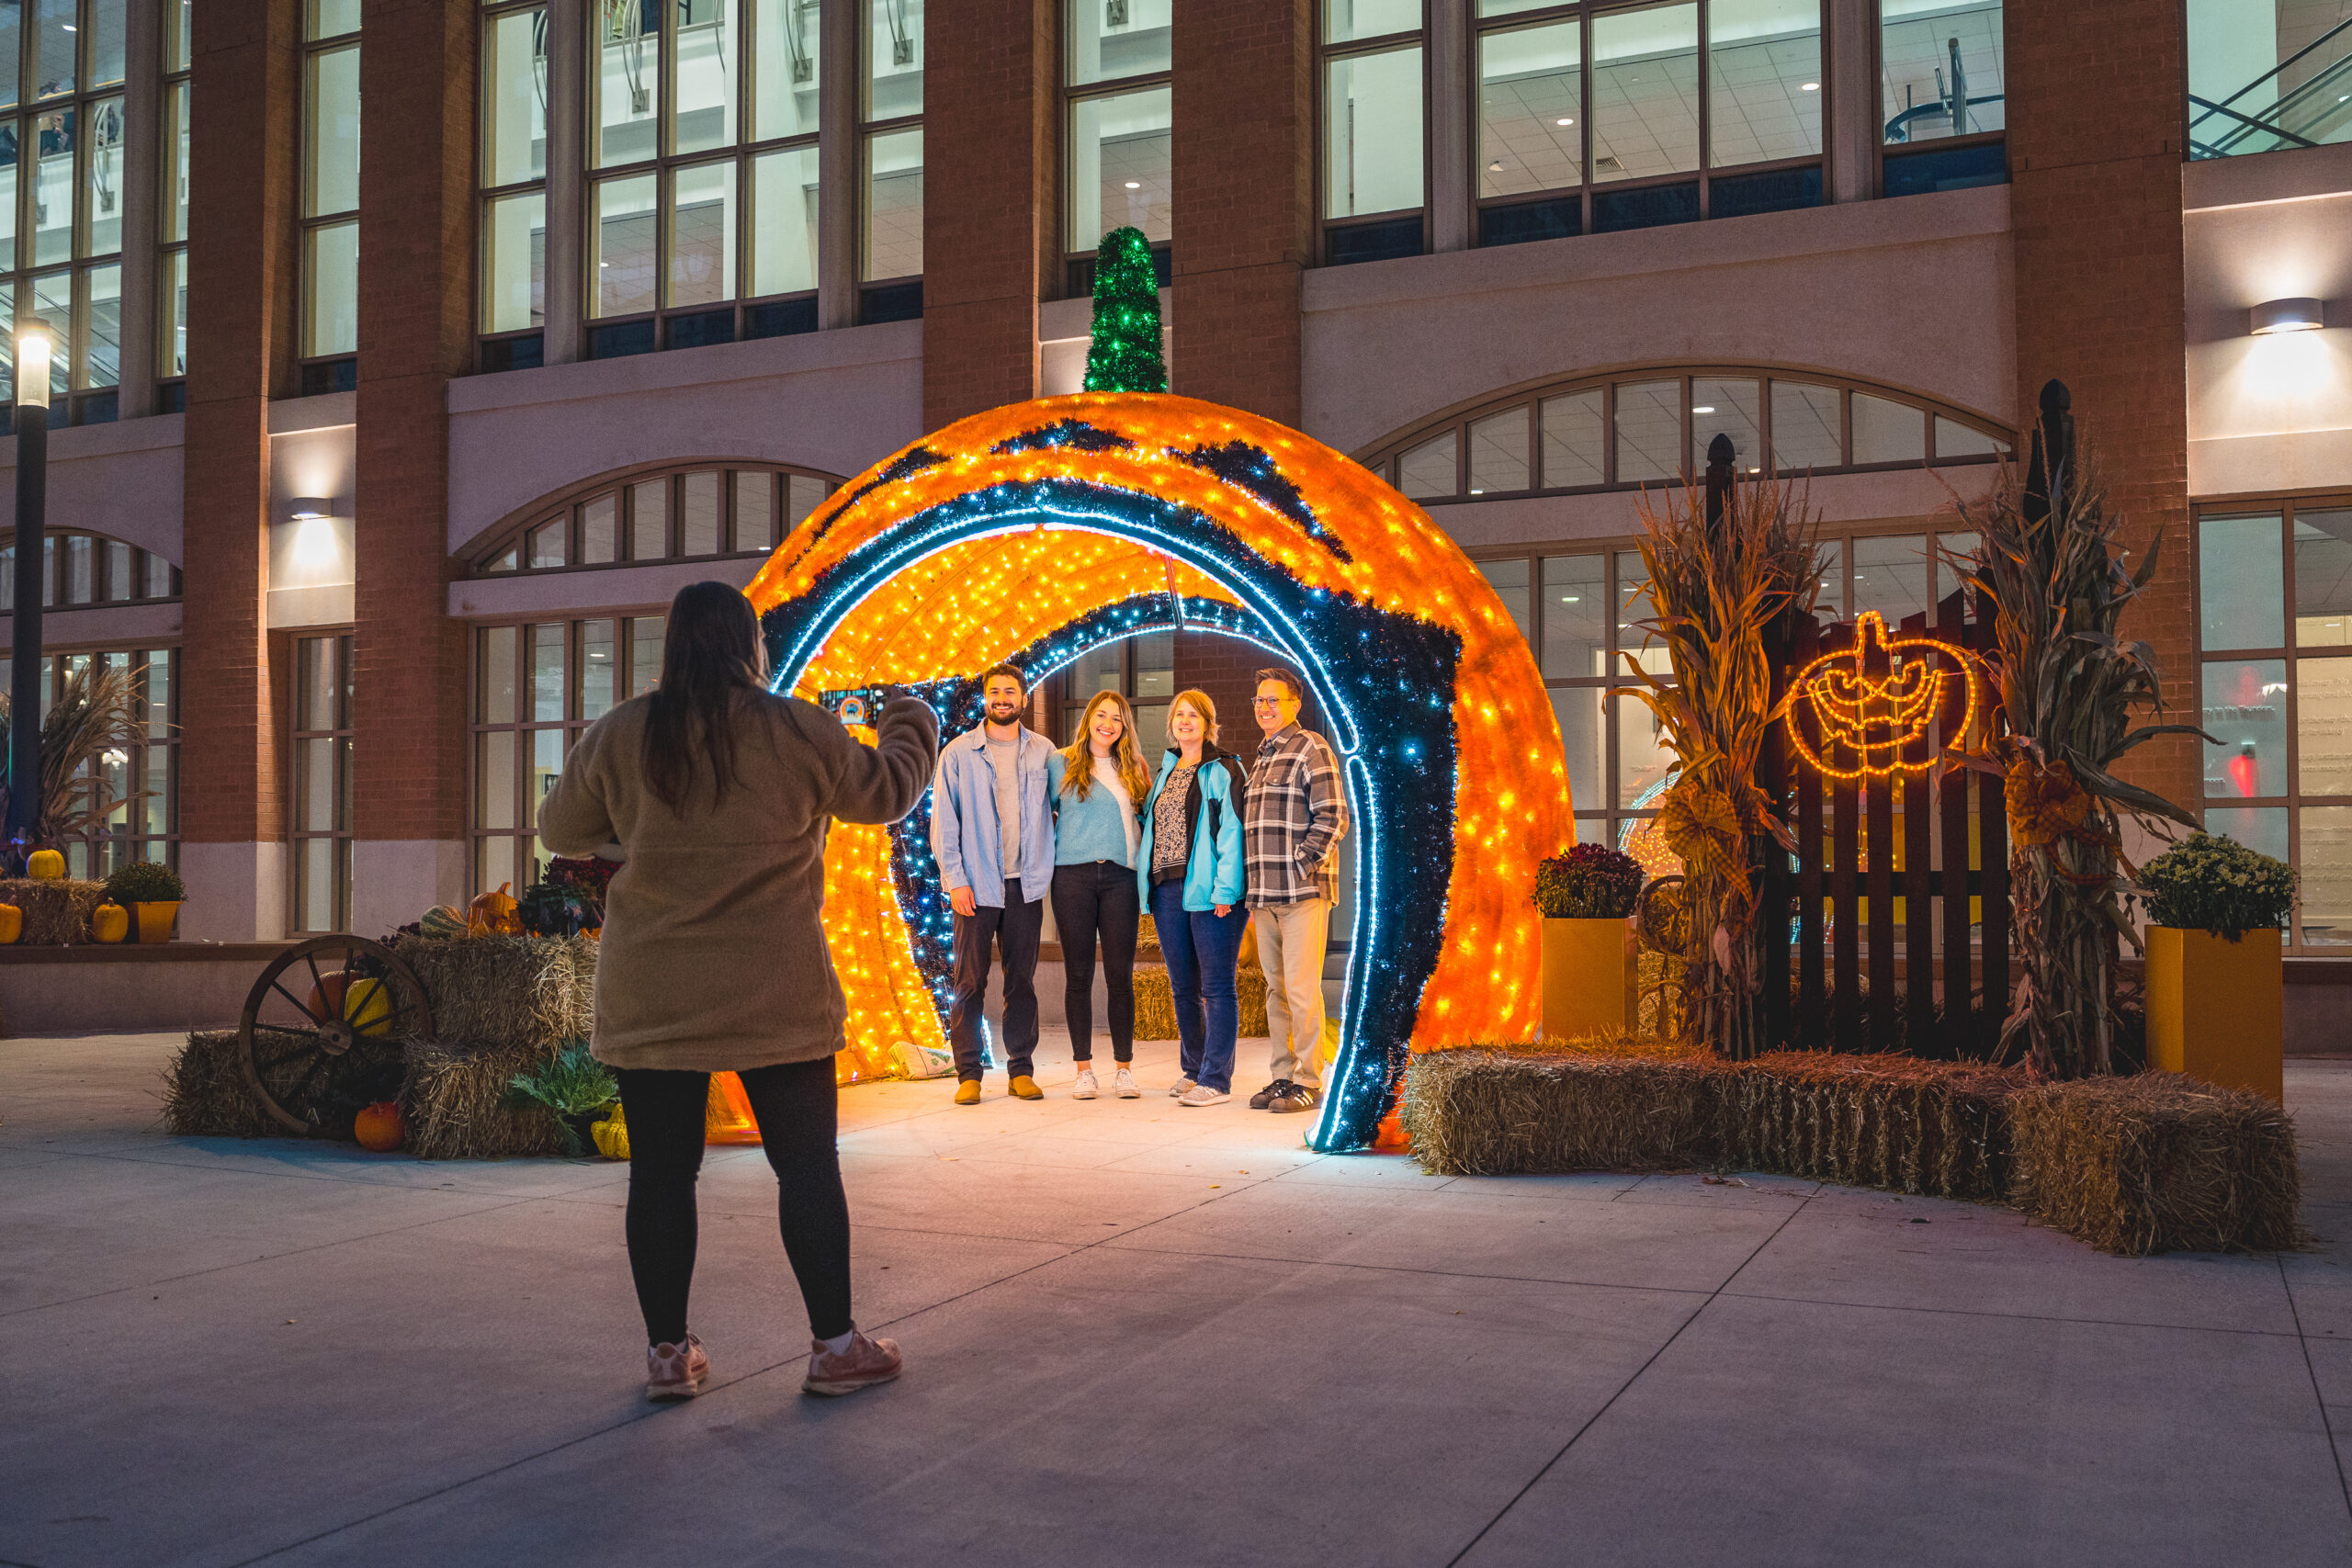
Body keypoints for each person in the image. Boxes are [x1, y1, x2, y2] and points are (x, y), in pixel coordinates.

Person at [537, 581, 937, 1403]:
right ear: (752, 644)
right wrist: (908, 715)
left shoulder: (624, 732)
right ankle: (835, 1348)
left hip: (652, 989)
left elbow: (559, 829)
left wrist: (637, 831)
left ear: (673, 642)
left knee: (661, 1175)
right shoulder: (797, 729)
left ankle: (667, 1355)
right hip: (775, 988)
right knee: (806, 1167)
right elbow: (889, 791)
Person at [931, 663, 1057, 1104]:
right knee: (969, 982)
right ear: (986, 698)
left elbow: (1064, 805)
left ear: (1024, 698)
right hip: (976, 885)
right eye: (995, 692)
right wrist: (955, 881)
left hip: (1026, 885)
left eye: (1010, 691)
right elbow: (944, 823)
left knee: (1021, 981)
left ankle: (1021, 1070)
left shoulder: (1044, 751)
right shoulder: (958, 753)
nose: (1002, 699)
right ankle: (969, 1074)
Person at [1241, 667, 1350, 1115]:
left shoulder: (1311, 747)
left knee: (1302, 990)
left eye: (1274, 700)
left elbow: (1334, 815)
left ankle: (1310, 1080)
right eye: (1259, 700)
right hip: (1264, 896)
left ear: (1294, 704)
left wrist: (1300, 864)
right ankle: (1282, 1076)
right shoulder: (1262, 758)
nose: (1265, 707)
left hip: (1302, 892)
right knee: (1277, 991)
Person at [1136, 689, 1249, 1107]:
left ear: (1208, 723)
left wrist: (1226, 889)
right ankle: (1193, 1068)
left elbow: (1233, 831)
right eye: (1179, 715)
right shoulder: (1165, 771)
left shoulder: (1224, 768)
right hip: (1167, 890)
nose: (1185, 721)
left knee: (1217, 987)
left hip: (1211, 891)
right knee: (1183, 986)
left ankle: (1216, 1079)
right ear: (1171, 723)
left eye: (1194, 715)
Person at [1051, 690, 1151, 1100]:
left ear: (1125, 727)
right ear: (1088, 717)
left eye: (1117, 718)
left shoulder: (1135, 767)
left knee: (1119, 976)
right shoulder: (1060, 762)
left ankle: (1124, 1069)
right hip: (1071, 877)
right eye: (1102, 715)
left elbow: (1147, 820)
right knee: (1078, 976)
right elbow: (1037, 817)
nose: (1108, 724)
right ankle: (1084, 1071)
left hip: (1120, 879)